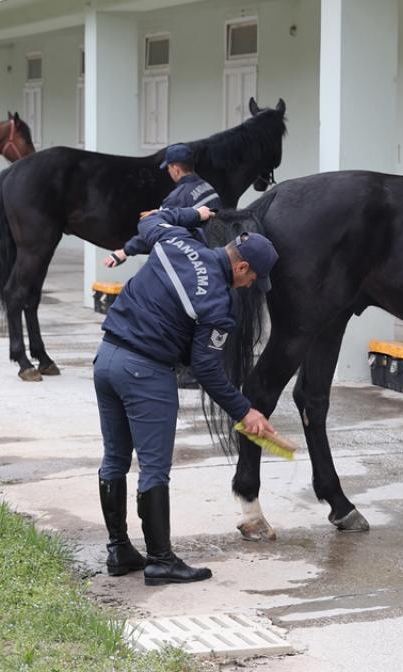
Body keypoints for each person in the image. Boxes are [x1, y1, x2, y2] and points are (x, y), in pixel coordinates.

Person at [93, 204, 279, 585]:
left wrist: (194, 213)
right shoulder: (218, 304)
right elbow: (206, 368)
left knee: (114, 459)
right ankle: (160, 560)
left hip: (106, 360)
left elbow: (149, 220)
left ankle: (119, 549)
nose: (250, 287)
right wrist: (245, 411)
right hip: (145, 373)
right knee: (153, 468)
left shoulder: (175, 240)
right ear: (242, 267)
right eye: (253, 279)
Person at [103, 143, 219, 267]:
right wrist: (163, 213)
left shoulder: (177, 197)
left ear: (176, 169)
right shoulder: (207, 187)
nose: (168, 171)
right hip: (213, 254)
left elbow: (156, 231)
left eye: (169, 168)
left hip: (195, 261)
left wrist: (124, 251)